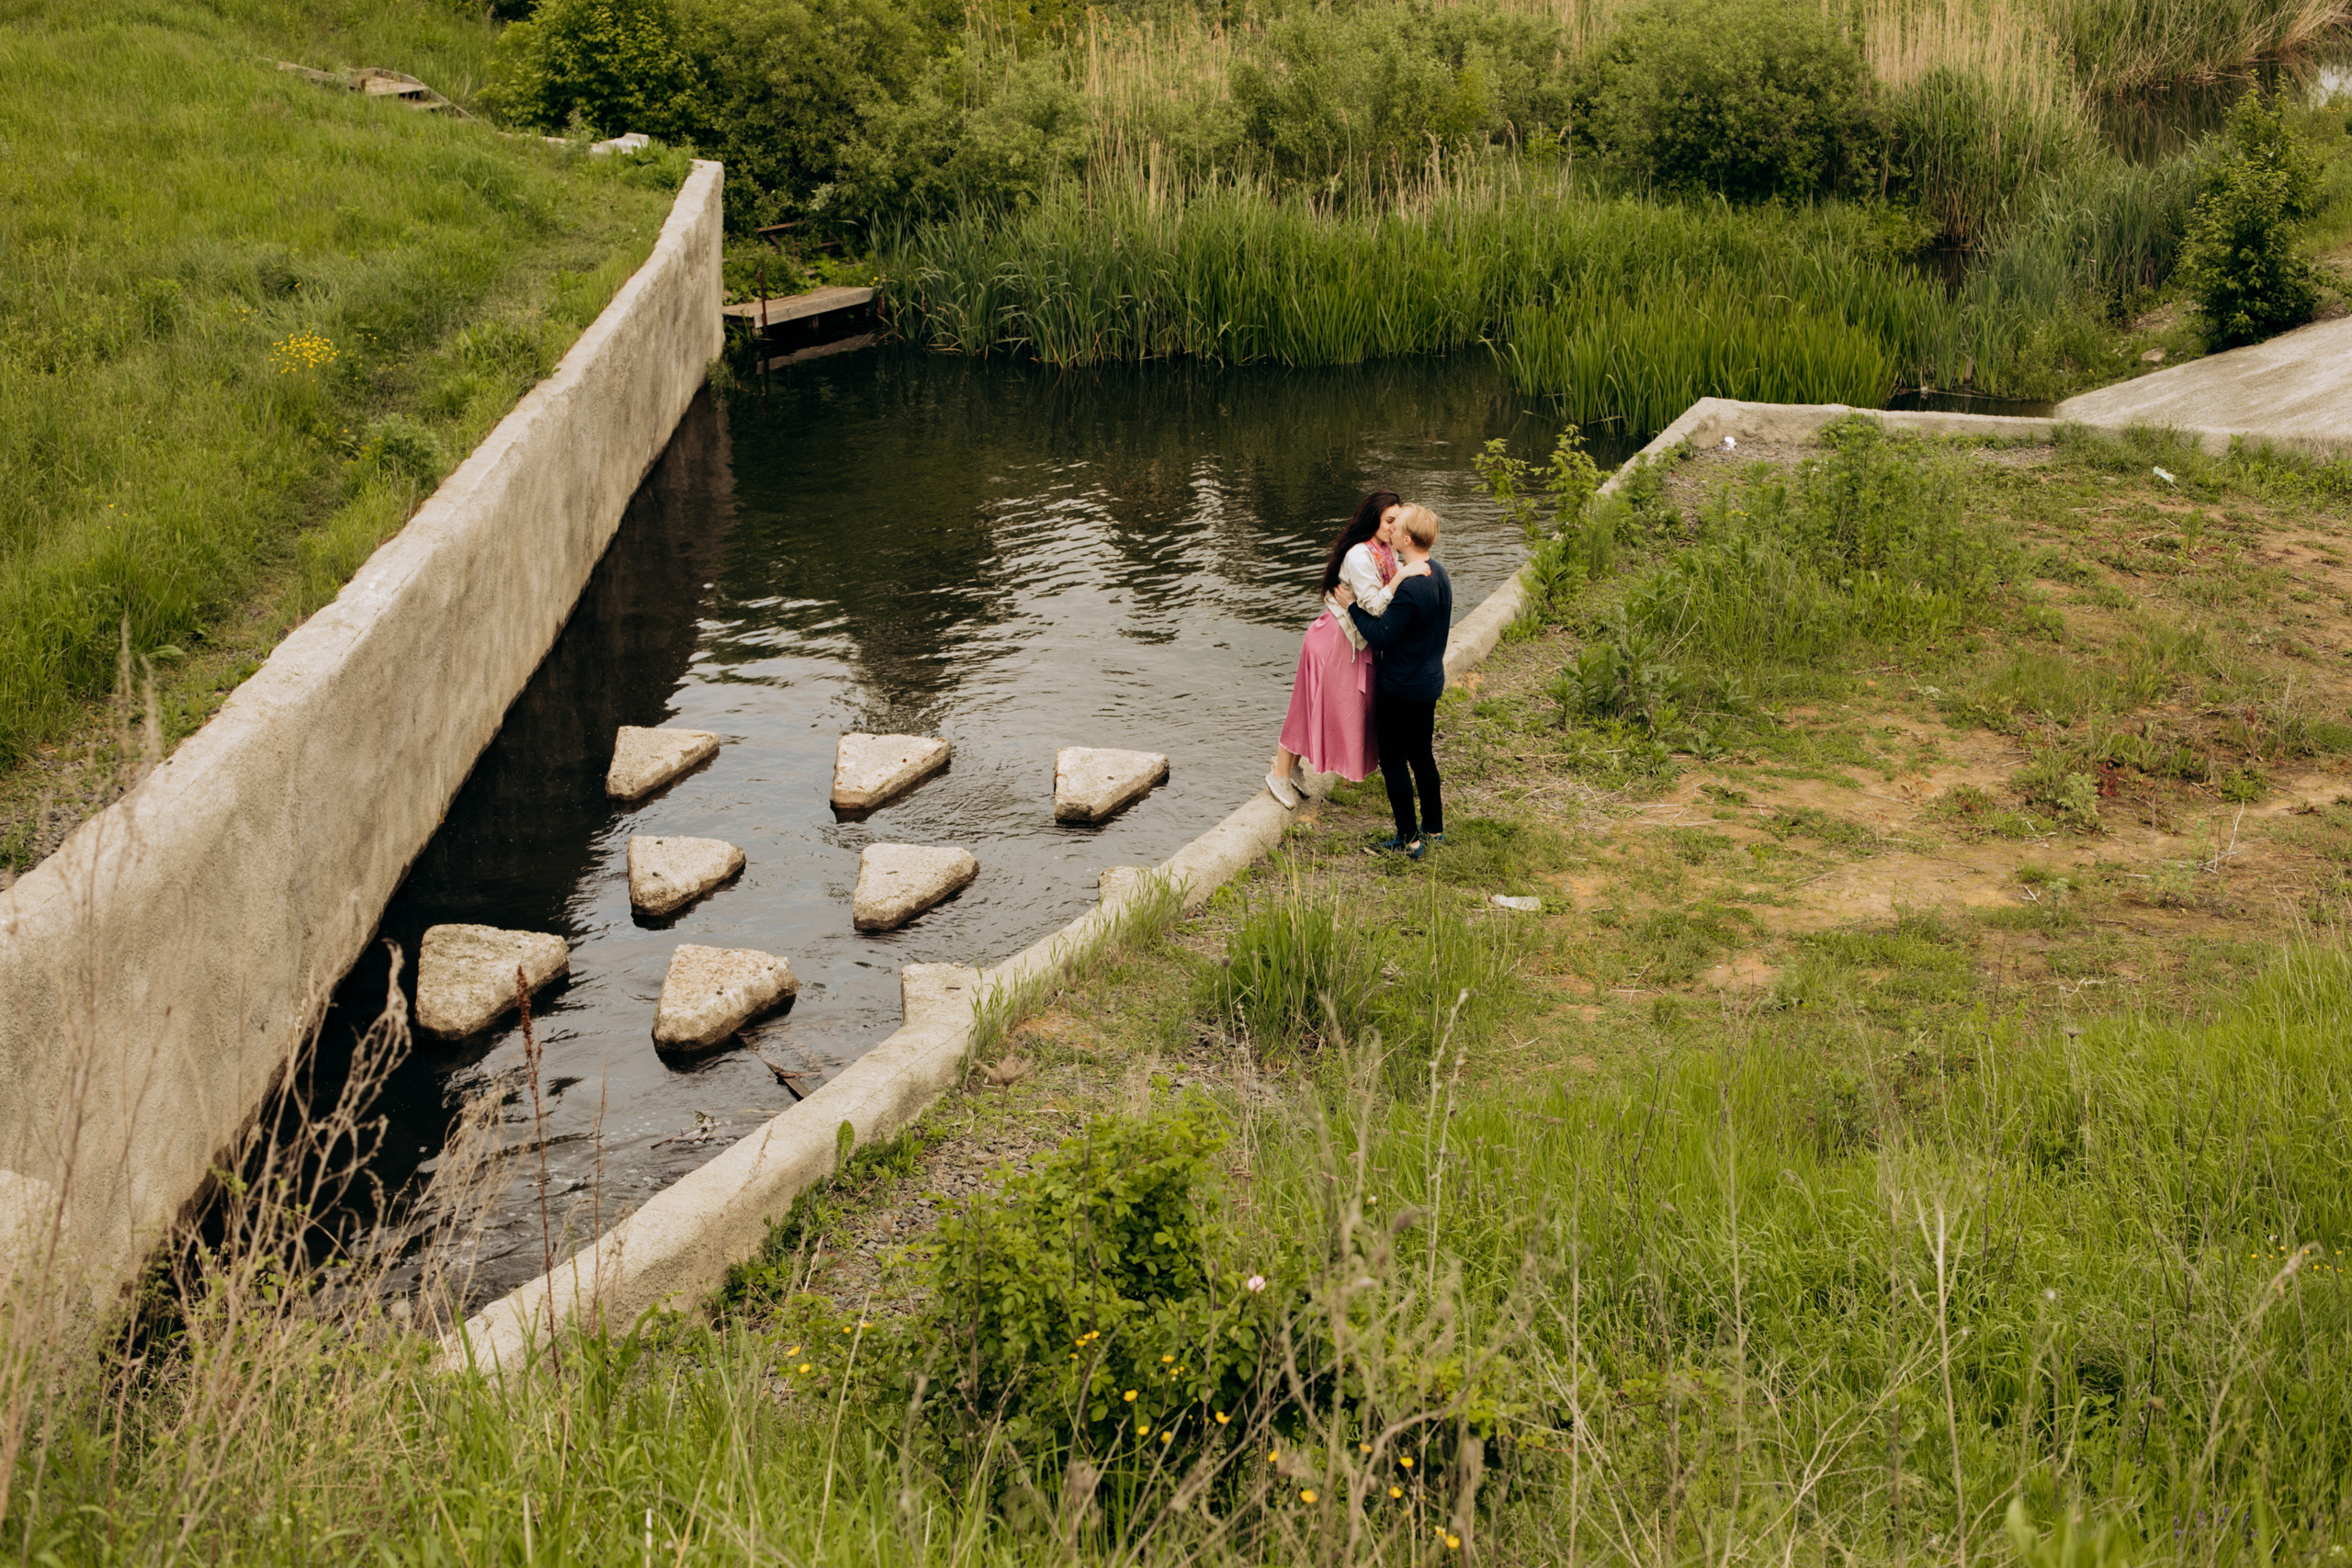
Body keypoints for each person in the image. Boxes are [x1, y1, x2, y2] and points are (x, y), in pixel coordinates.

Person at [1264, 491, 1429, 808]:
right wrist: (1403, 576)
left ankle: (1293, 768)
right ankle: (1280, 772)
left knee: (1323, 707)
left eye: (1398, 522)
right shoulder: (1358, 555)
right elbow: (1373, 605)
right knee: (1307, 705)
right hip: (1334, 642)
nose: (1395, 528)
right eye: (1390, 521)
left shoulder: (1385, 551)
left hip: (1356, 642)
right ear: (1374, 521)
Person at [1338, 502, 1450, 858]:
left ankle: (1409, 839)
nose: (1390, 531)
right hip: (1429, 679)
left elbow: (1381, 635)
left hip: (1402, 686)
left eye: (1396, 526)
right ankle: (1434, 828)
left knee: (1393, 760)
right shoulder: (1438, 571)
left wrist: (1352, 605)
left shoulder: (1412, 587)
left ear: (1407, 538)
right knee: (1422, 755)